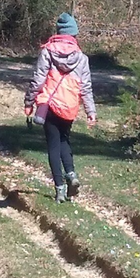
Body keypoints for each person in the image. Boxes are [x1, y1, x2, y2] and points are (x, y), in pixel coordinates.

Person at [24, 12, 96, 203]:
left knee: (53, 146)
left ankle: (60, 189)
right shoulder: (82, 58)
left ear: (58, 32)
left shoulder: (47, 51)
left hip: (50, 103)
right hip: (69, 106)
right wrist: (91, 112)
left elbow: (38, 79)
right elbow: (86, 87)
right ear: (74, 34)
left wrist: (29, 102)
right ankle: (71, 174)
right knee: (64, 140)